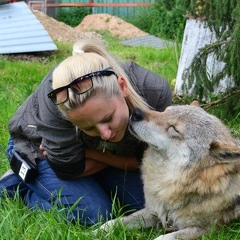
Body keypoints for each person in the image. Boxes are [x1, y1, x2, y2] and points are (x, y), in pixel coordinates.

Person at [0, 38, 172, 225]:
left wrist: (89, 153)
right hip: (36, 148)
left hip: (88, 156)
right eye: (88, 127)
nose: (106, 134)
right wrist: (125, 161)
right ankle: (19, 186)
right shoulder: (58, 101)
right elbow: (69, 169)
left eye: (108, 118)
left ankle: (89, 184)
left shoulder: (154, 92)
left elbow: (148, 160)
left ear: (122, 87)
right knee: (94, 214)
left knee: (146, 207)